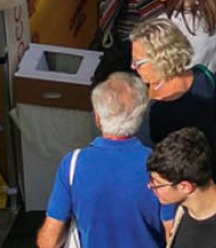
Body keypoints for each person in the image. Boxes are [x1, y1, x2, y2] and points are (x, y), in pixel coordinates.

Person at [38, 74, 171, 248]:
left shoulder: (73, 164)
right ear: (141, 116)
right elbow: (172, 233)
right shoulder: (160, 165)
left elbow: (48, 242)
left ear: (98, 118)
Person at [131, 19, 216, 181]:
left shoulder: (155, 111)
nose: (132, 66)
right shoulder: (203, 76)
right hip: (210, 174)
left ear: (161, 59)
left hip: (176, 187)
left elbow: (142, 159)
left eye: (138, 62)